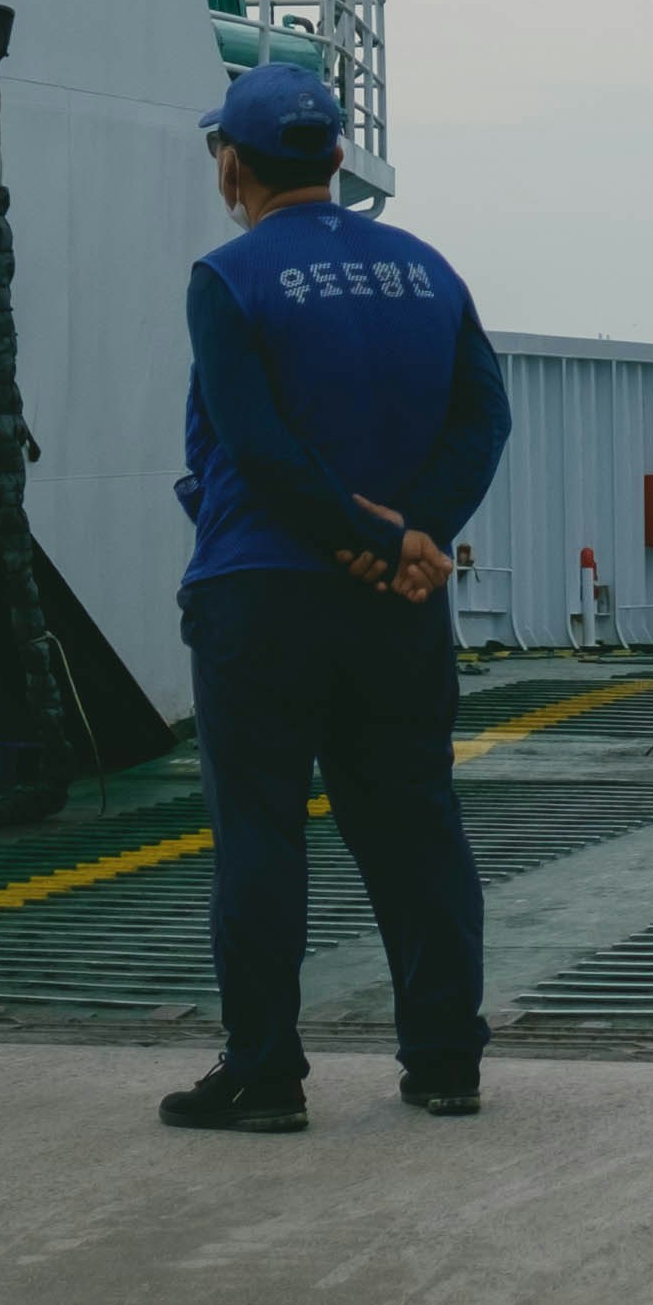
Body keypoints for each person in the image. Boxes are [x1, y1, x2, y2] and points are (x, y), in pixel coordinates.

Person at [156, 61, 513, 1134]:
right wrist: (414, 540)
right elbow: (482, 423)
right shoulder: (431, 271)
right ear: (339, 157)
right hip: (402, 604)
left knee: (260, 831)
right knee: (417, 826)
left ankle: (265, 1074)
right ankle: (445, 1059)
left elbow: (256, 448)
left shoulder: (226, 281)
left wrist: (359, 535)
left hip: (259, 595)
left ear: (233, 166)